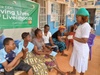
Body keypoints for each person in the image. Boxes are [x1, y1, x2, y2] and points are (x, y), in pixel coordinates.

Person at [69, 8, 91, 75]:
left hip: (82, 50)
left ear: (83, 17)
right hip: (77, 48)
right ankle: (73, 72)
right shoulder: (81, 25)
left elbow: (85, 40)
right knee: (75, 60)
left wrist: (74, 38)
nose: (76, 18)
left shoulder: (86, 26)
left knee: (82, 64)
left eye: (77, 17)